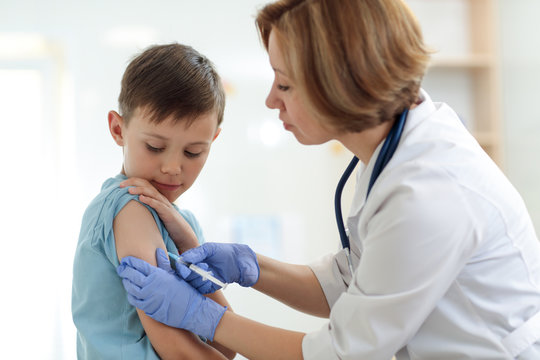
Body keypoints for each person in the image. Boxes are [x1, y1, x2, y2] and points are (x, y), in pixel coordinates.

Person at [116, 0, 540, 359]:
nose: (270, 99)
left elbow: (341, 352)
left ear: (334, 85)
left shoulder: (428, 191)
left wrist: (204, 317)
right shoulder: (393, 155)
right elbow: (353, 280)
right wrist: (250, 266)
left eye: (284, 83)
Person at [71, 43, 236, 359]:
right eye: (155, 147)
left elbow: (225, 345)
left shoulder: (181, 224)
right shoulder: (130, 206)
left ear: (213, 139)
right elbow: (181, 350)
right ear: (118, 129)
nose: (173, 168)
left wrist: (190, 245)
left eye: (193, 152)